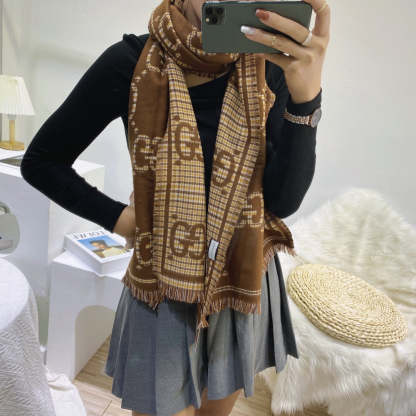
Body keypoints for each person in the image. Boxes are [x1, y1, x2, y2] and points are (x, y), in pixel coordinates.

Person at [20, 0, 330, 415]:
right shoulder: (131, 63)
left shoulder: (268, 66)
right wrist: (122, 219)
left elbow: (282, 201)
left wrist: (305, 98)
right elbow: (42, 161)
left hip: (240, 276)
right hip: (162, 286)